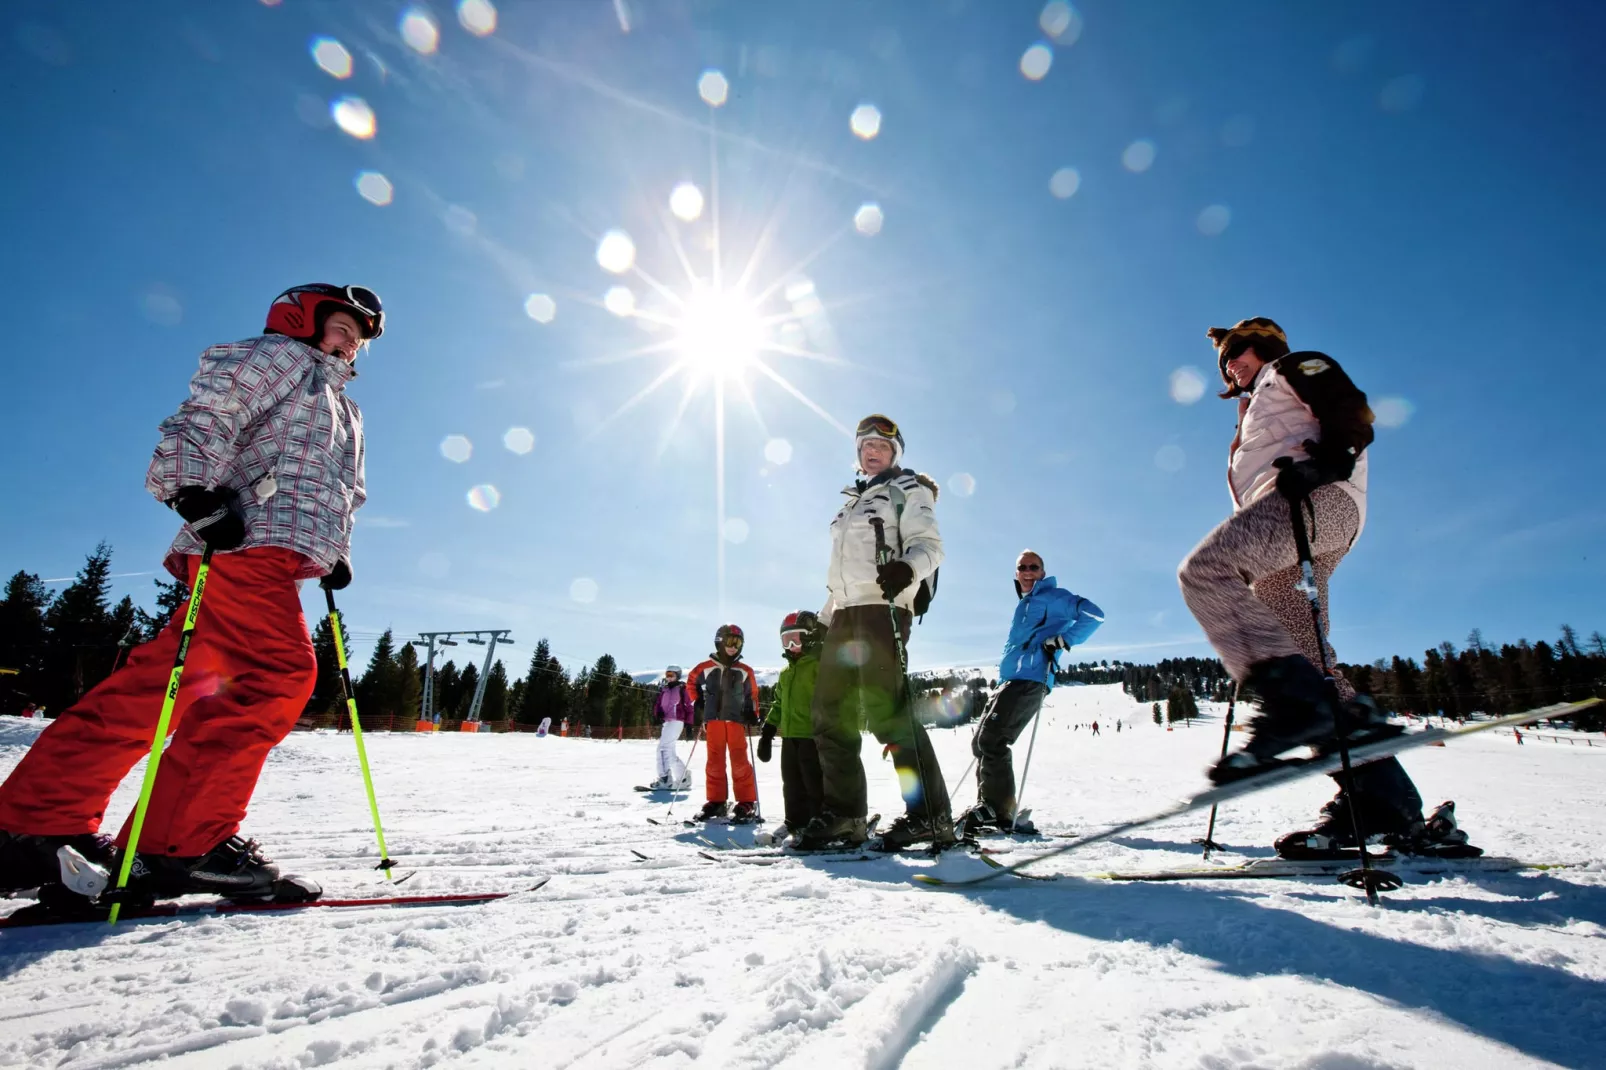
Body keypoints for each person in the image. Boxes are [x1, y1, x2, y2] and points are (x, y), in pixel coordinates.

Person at [0, 283, 384, 908]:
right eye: (343, 327)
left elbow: (345, 487)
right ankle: (179, 845)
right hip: (244, 540)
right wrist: (190, 492)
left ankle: (34, 821)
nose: (349, 344)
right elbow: (209, 415)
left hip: (279, 550)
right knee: (274, 676)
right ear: (303, 317)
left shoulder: (345, 407)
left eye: (359, 339)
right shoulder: (279, 359)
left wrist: (335, 554)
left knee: (160, 685)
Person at [1178, 318, 1475, 858]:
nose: (1229, 366)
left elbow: (1350, 407)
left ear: (1262, 346)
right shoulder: (1251, 408)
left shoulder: (1291, 368)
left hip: (1314, 503)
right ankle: (1384, 803)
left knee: (1204, 573)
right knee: (1309, 669)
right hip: (1290, 528)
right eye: (1223, 362)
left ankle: (1294, 707)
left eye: (1235, 353)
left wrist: (1329, 464)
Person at [798, 414, 952, 851]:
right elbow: (841, 576)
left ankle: (929, 816)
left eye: (882, 446)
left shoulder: (908, 490)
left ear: (894, 453)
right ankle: (846, 816)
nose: (872, 450)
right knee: (829, 717)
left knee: (889, 716)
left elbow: (931, 547)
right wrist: (823, 619)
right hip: (845, 615)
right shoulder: (849, 503)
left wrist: (907, 569)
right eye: (865, 445)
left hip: (884, 609)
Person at [957, 550, 1103, 837]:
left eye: (1033, 567)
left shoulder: (1053, 597)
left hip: (1030, 678)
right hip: (1010, 680)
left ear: (1042, 572)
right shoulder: (1026, 604)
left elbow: (1094, 614)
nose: (1027, 571)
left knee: (994, 740)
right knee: (981, 743)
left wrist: (1065, 639)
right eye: (1021, 567)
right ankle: (993, 808)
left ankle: (996, 812)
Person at [759, 611, 827, 838]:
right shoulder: (786, 672)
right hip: (789, 736)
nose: (790, 645)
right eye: (785, 640)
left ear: (810, 637)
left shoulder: (819, 665)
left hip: (811, 735)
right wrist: (768, 731)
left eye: (795, 639)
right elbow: (778, 703)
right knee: (791, 782)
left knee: (813, 782)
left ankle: (819, 820)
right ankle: (794, 820)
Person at [687, 626, 761, 823]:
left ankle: (746, 801)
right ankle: (716, 801)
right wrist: (698, 702)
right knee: (714, 762)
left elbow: (752, 694)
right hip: (713, 721)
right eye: (729, 642)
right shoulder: (706, 666)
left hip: (735, 721)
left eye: (737, 643)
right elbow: (691, 682)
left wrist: (752, 712)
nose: (732, 647)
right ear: (719, 641)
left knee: (739, 760)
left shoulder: (745, 671)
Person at [647, 665, 694, 789]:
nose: (669, 677)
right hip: (667, 722)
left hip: (676, 721)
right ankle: (683, 777)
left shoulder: (682, 689)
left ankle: (665, 779)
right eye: (667, 675)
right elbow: (658, 704)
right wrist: (658, 714)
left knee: (662, 749)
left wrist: (689, 725)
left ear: (677, 676)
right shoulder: (665, 689)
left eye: (671, 675)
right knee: (669, 752)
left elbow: (689, 707)